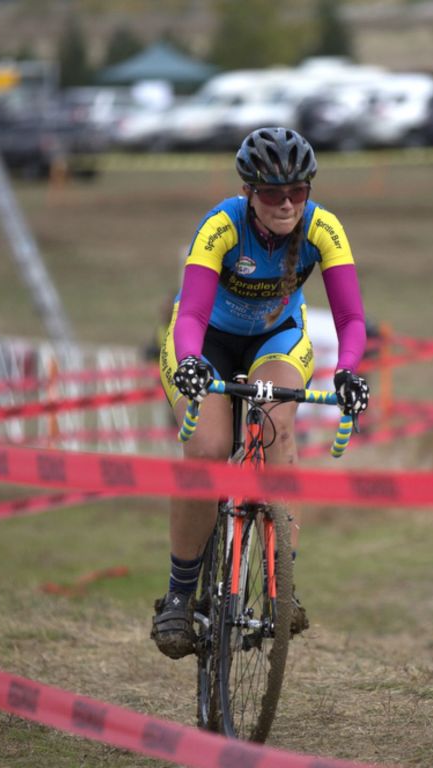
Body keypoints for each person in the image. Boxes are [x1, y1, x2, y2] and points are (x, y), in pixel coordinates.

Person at [151, 126, 371, 659]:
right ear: (249, 191)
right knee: (207, 449)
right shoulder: (221, 225)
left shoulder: (323, 228)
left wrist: (348, 371)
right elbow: (192, 313)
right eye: (273, 193)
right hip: (206, 340)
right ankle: (179, 596)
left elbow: (350, 318)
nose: (287, 203)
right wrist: (189, 362)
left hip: (277, 339)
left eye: (299, 191)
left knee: (278, 430)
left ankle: (280, 587)